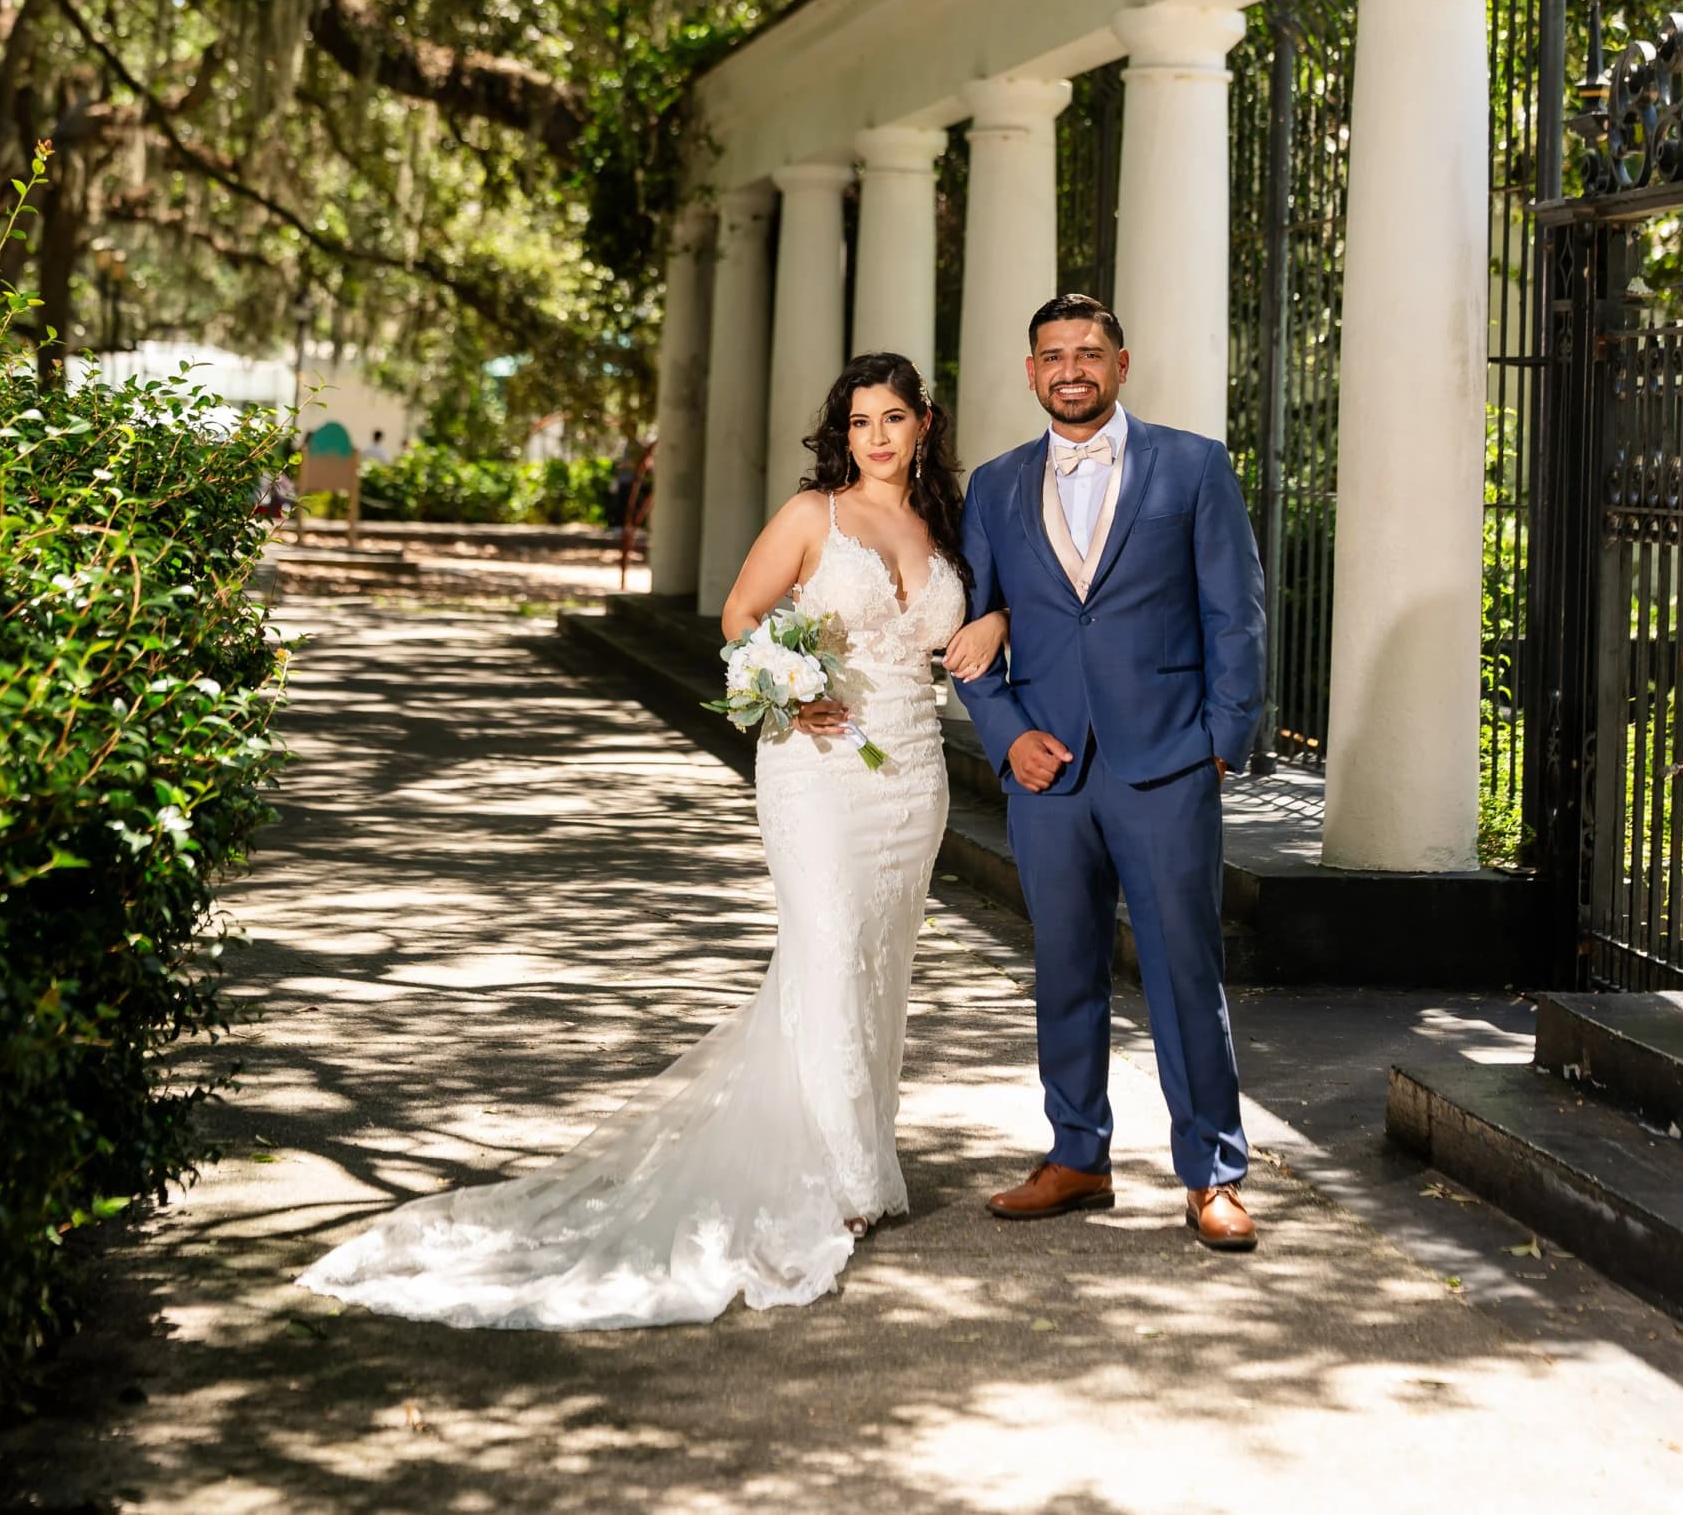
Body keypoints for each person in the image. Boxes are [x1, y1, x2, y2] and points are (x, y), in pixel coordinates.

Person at [301, 349, 965, 1328]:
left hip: (914, 771)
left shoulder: (939, 523)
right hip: (817, 771)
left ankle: (869, 1150)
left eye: (894, 418)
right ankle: (837, 1179)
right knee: (825, 950)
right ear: (843, 430)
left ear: (923, 425)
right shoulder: (809, 516)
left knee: (882, 959)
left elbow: (966, 628)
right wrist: (796, 683)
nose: (877, 435)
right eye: (861, 419)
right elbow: (742, 618)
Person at [941, 294, 1266, 1251]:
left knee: (1183, 972)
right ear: (1030, 371)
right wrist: (1004, 734)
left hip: (1167, 763)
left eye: (1089, 352)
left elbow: (1235, 614)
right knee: (1062, 968)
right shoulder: (996, 488)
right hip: (1049, 772)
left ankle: (1213, 1172)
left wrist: (1221, 738)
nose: (1070, 368)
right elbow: (965, 633)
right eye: (1053, 355)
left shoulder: (1195, 465)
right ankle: (1077, 1153)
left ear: (1122, 364)